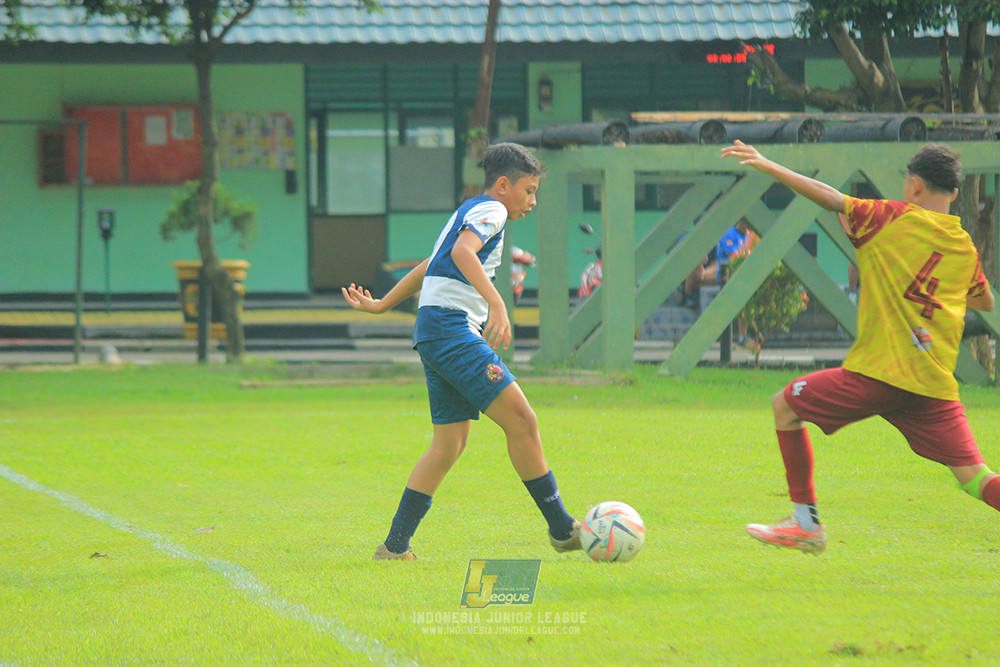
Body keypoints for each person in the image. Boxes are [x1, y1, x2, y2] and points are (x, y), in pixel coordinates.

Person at [721, 139, 996, 555]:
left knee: (784, 405)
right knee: (975, 477)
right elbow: (984, 300)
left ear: (914, 185)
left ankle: (806, 524)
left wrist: (766, 165)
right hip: (933, 386)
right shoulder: (962, 246)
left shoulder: (890, 218)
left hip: (879, 374)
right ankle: (804, 525)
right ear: (955, 194)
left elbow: (832, 199)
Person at [342, 142, 581, 560]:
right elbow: (459, 254)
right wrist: (497, 301)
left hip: (433, 329)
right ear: (504, 185)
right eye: (529, 190)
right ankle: (562, 528)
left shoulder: (467, 212)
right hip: (451, 329)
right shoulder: (493, 211)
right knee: (523, 420)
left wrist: (382, 304)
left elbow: (428, 265)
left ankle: (395, 546)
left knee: (449, 444)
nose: (533, 201)